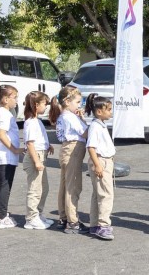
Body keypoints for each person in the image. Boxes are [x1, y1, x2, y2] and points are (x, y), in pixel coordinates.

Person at [49, 86, 89, 234]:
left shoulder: (64, 116)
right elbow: (85, 133)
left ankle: (63, 217)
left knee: (65, 185)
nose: (79, 105)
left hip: (67, 149)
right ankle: (73, 221)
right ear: (67, 101)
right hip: (73, 150)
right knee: (73, 186)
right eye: (78, 102)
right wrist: (83, 119)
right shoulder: (70, 117)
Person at [0, 85, 24, 229]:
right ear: (5, 99)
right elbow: (1, 134)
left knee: (0, 184)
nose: (16, 100)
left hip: (0, 155)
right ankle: (2, 217)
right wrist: (15, 149)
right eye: (14, 97)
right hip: (5, 155)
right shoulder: (4, 114)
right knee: (5, 185)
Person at [85, 93, 116, 240]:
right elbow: (91, 147)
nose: (111, 112)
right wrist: (98, 165)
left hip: (104, 161)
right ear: (99, 111)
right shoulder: (95, 127)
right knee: (106, 194)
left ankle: (94, 225)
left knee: (98, 194)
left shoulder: (99, 125)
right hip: (101, 161)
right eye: (108, 109)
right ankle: (103, 225)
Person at [23, 91, 54, 230]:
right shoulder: (30, 122)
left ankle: (38, 213)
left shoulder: (38, 121)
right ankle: (31, 218)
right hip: (35, 157)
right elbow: (30, 143)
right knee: (35, 189)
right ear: (36, 105)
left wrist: (48, 145)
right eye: (44, 104)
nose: (46, 106)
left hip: (41, 155)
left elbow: (40, 139)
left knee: (44, 188)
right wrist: (36, 161)